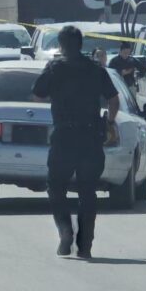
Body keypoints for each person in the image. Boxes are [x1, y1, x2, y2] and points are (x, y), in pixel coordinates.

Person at [32, 26, 119, 259]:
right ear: (81, 44)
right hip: (90, 137)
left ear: (61, 45)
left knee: (56, 187)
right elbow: (113, 100)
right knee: (87, 191)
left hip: (64, 137)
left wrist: (57, 95)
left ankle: (65, 230)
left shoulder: (55, 68)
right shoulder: (95, 69)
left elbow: (37, 94)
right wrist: (110, 122)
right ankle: (85, 245)